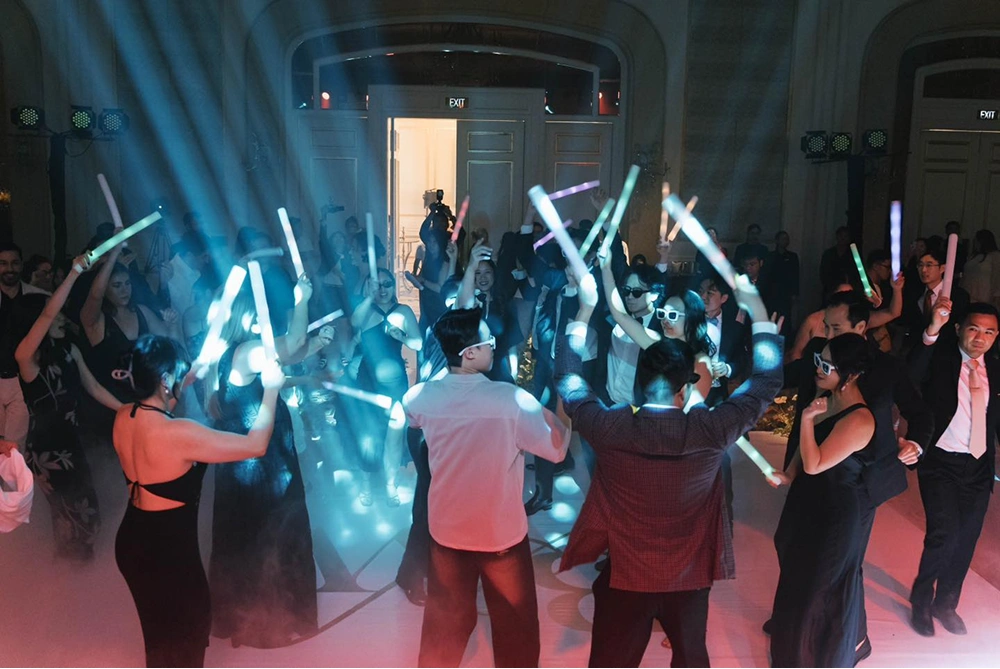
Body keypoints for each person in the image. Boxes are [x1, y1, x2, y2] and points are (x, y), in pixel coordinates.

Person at [556, 270, 782, 669]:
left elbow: (569, 379)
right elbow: (766, 382)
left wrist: (585, 309)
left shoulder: (611, 426)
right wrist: (759, 314)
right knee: (691, 660)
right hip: (688, 579)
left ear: (642, 382)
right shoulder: (709, 430)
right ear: (684, 390)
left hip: (626, 575)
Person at [402, 307, 570, 668]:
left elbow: (414, 421)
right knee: (515, 628)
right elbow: (556, 450)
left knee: (444, 624)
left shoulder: (418, 397)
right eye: (487, 341)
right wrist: (561, 412)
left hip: (447, 531)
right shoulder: (511, 400)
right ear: (469, 353)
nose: (494, 345)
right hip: (499, 536)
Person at [770, 289, 932, 662]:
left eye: (835, 327)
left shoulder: (886, 369)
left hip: (859, 483)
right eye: (825, 326)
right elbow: (783, 378)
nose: (826, 334)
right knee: (789, 542)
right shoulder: (822, 358)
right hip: (814, 473)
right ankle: (798, 621)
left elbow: (921, 413)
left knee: (838, 567)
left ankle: (840, 639)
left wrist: (916, 445)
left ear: (861, 327)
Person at [113, 334, 283, 668]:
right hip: (169, 554)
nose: (184, 380)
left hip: (132, 543)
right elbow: (256, 444)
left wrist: (190, 372)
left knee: (159, 641)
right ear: (165, 380)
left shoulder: (124, 415)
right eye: (179, 375)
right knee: (186, 641)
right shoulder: (179, 433)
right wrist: (272, 389)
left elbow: (167, 389)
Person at [208, 275, 318, 649]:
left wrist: (313, 345)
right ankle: (269, 621)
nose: (263, 319)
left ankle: (246, 616)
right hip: (264, 468)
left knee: (248, 537)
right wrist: (302, 299)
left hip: (243, 465)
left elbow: (288, 353)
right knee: (273, 535)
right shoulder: (246, 352)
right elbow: (291, 344)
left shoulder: (226, 352)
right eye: (256, 314)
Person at [768, 334, 876, 668]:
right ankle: (788, 655)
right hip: (808, 502)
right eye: (819, 360)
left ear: (851, 374)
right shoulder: (826, 396)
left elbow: (816, 463)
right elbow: (806, 452)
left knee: (818, 590)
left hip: (835, 515)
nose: (818, 369)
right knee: (795, 577)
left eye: (826, 365)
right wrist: (788, 474)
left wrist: (805, 418)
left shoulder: (860, 420)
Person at [12, 254, 122, 559]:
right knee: (71, 517)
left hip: (71, 443)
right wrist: (74, 272)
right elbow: (48, 313)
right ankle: (68, 574)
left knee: (88, 515)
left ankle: (78, 572)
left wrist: (127, 410)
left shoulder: (69, 350)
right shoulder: (27, 359)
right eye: (56, 316)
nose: (62, 318)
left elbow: (94, 388)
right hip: (46, 451)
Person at [907, 299, 1000, 637]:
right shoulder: (940, 360)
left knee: (966, 538)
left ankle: (946, 603)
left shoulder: (995, 369)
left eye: (989, 332)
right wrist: (931, 331)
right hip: (941, 462)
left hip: (978, 466)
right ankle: (921, 599)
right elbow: (911, 374)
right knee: (943, 533)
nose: (980, 338)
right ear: (959, 328)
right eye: (974, 329)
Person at [349, 267, 422, 505]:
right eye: (376, 284)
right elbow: (354, 322)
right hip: (367, 381)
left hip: (395, 384)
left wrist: (401, 336)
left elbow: (418, 344)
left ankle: (391, 484)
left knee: (394, 434)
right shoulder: (365, 310)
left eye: (387, 284)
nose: (382, 289)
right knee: (368, 434)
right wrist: (368, 297)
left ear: (394, 286)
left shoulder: (403, 311)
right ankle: (366, 485)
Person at [0, 241, 46, 449]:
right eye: (3, 263)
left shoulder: (38, 298)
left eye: (14, 263)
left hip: (22, 381)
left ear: (21, 265)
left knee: (14, 448)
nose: (9, 268)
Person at [900, 241, 970, 352]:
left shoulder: (958, 295)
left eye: (929, 265)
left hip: (946, 350)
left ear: (942, 268)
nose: (923, 270)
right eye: (920, 265)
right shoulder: (915, 293)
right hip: (918, 349)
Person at [766, 231, 799, 328]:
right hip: (772, 292)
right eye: (783, 238)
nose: (786, 241)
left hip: (786, 292)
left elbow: (795, 275)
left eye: (787, 239)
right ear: (777, 240)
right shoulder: (770, 256)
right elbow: (766, 275)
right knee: (772, 314)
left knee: (785, 317)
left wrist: (794, 293)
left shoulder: (792, 256)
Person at [961, 229, 1000, 309]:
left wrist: (996, 295)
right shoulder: (973, 256)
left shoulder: (995, 256)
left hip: (984, 296)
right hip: (967, 294)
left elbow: (997, 276)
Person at [819, 226, 855, 296]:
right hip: (830, 290)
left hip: (848, 290)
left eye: (845, 236)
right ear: (837, 237)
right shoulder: (828, 253)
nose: (843, 238)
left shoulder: (853, 255)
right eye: (840, 236)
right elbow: (823, 272)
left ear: (849, 239)